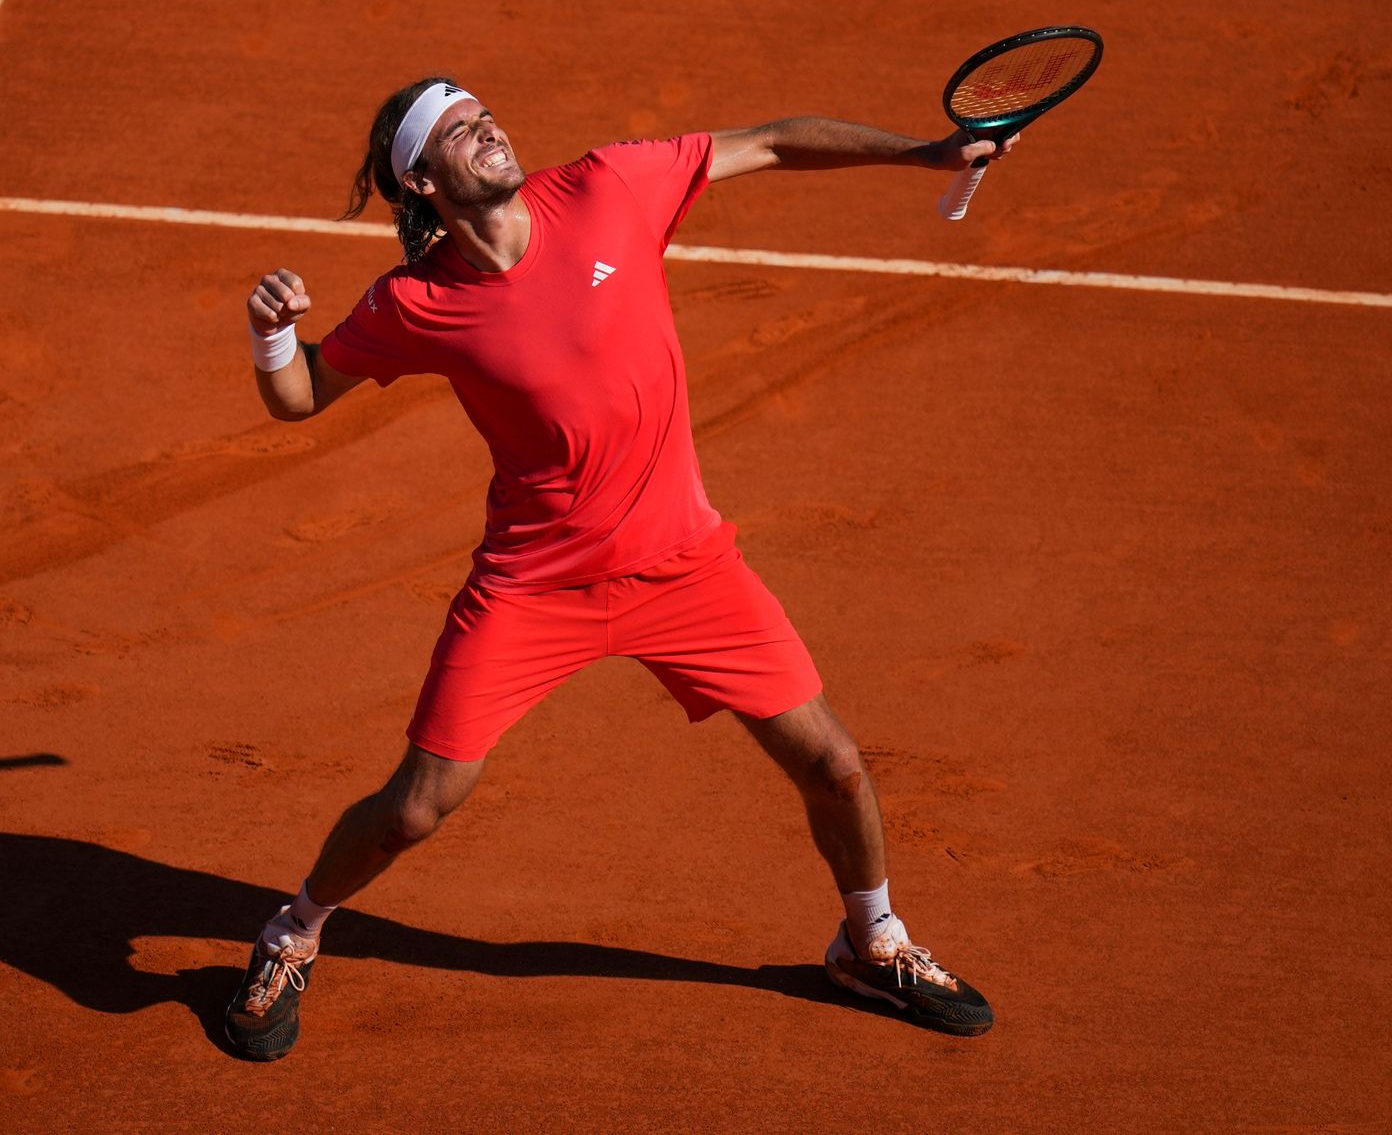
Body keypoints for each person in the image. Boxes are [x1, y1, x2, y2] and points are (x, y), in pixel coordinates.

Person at [224, 77, 1010, 1061]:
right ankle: (291, 932)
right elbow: (299, 395)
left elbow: (767, 141)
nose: (490, 129)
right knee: (415, 808)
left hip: (683, 566)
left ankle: (870, 940)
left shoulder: (606, 187)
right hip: (532, 587)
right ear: (421, 180)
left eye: (486, 113)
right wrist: (267, 333)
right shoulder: (415, 303)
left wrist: (920, 155)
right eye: (461, 131)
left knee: (835, 765)